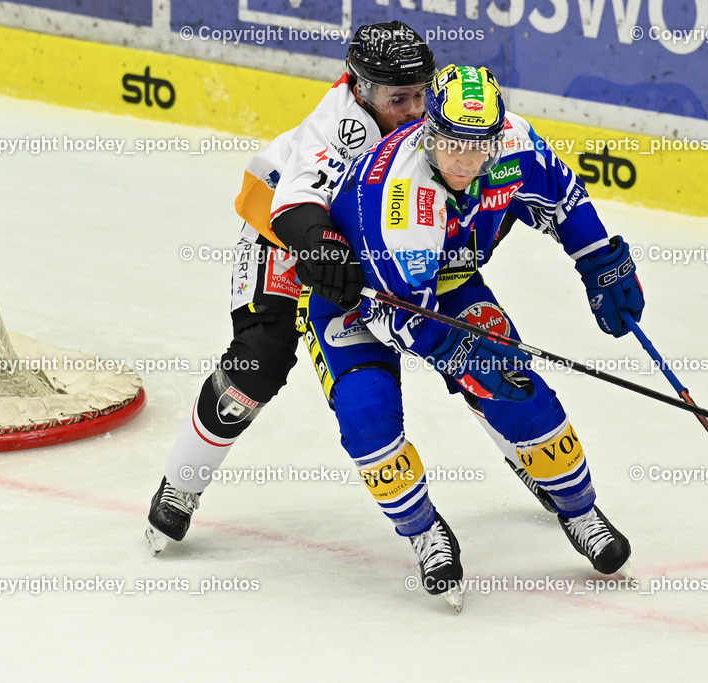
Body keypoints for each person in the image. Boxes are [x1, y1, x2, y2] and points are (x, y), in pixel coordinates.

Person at [145, 24, 548, 555]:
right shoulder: (338, 126)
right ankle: (182, 481)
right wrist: (322, 248)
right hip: (284, 238)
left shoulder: (439, 119)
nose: (413, 109)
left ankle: (528, 454)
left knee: (465, 342)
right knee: (258, 361)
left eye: (420, 93)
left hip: (374, 243)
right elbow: (295, 205)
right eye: (397, 99)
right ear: (361, 89)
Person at [300, 64, 645, 606]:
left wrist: (599, 260)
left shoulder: (514, 144)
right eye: (451, 144)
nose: (463, 160)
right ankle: (422, 532)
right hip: (358, 300)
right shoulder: (400, 199)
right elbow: (402, 318)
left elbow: (563, 198)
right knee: (368, 419)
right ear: (428, 132)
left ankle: (579, 510)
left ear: (497, 137)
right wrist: (461, 353)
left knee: (521, 394)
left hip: (450, 282)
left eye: (477, 145)